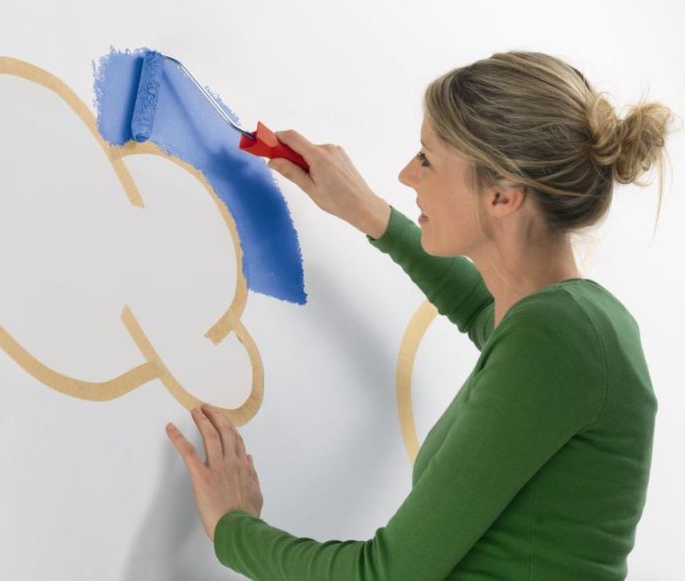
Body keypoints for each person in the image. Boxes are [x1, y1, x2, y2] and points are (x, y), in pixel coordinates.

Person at [170, 50, 677, 579]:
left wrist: (231, 528)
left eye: (427, 159)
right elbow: (483, 310)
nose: (407, 175)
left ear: (503, 196)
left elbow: (387, 574)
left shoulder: (559, 336)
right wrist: (372, 215)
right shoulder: (578, 322)